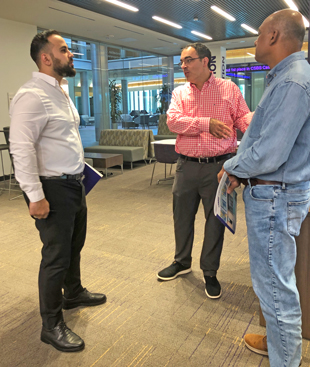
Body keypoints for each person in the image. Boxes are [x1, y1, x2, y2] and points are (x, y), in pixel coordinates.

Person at [219, 9, 309, 367]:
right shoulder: (287, 77)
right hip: (275, 192)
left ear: (273, 36)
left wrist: (232, 167)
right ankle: (279, 344)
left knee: (275, 290)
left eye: (258, 35)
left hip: (274, 196)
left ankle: (285, 358)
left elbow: (271, 150)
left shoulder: (292, 81)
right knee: (274, 285)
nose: (255, 42)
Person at [9, 30, 107, 353]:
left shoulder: (61, 90)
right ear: (47, 58)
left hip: (74, 183)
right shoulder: (31, 95)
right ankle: (50, 324)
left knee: (74, 244)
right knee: (55, 255)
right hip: (51, 189)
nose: (72, 54)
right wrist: (34, 195)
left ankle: (74, 292)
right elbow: (20, 149)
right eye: (65, 50)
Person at [157, 42, 252, 298]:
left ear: (206, 61)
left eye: (188, 60)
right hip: (186, 167)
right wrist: (205, 123)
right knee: (182, 217)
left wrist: (260, 122)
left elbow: (243, 119)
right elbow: (173, 121)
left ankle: (210, 272)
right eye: (182, 62)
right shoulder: (180, 93)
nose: (184, 66)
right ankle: (181, 261)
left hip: (219, 168)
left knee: (215, 221)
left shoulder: (228, 89)